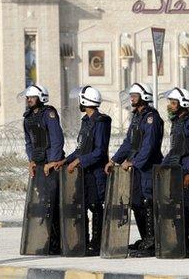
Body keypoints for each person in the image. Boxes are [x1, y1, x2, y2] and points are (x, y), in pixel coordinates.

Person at [104, 83, 164, 258]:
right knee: (137, 202)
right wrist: (114, 159)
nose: (132, 98)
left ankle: (153, 240)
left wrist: (134, 162)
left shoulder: (151, 117)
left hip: (147, 166)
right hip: (136, 167)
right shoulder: (137, 117)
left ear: (144, 96)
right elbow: (129, 142)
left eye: (135, 95)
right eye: (131, 95)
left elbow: (149, 146)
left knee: (148, 201)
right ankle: (145, 237)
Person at [54, 86, 111, 256]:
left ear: (86, 101)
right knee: (84, 205)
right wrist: (65, 160)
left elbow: (99, 151)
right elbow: (80, 148)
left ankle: (97, 242)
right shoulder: (86, 121)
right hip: (84, 173)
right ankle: (84, 241)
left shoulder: (101, 121)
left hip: (95, 172)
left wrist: (79, 161)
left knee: (95, 206)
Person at [20, 84, 65, 255]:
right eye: (28, 98)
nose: (29, 100)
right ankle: (48, 240)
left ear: (41, 97)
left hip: (50, 165)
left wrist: (52, 161)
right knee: (42, 204)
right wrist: (31, 160)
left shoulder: (49, 114)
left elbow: (56, 138)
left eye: (32, 97)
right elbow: (29, 142)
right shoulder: (28, 118)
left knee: (52, 204)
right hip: (38, 165)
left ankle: (57, 243)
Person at [161, 87, 189, 254]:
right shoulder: (177, 121)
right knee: (177, 209)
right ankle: (180, 243)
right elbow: (174, 149)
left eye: (173, 102)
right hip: (175, 169)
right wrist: (163, 166)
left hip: (185, 170)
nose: (170, 105)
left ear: (182, 103)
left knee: (187, 208)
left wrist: (187, 173)